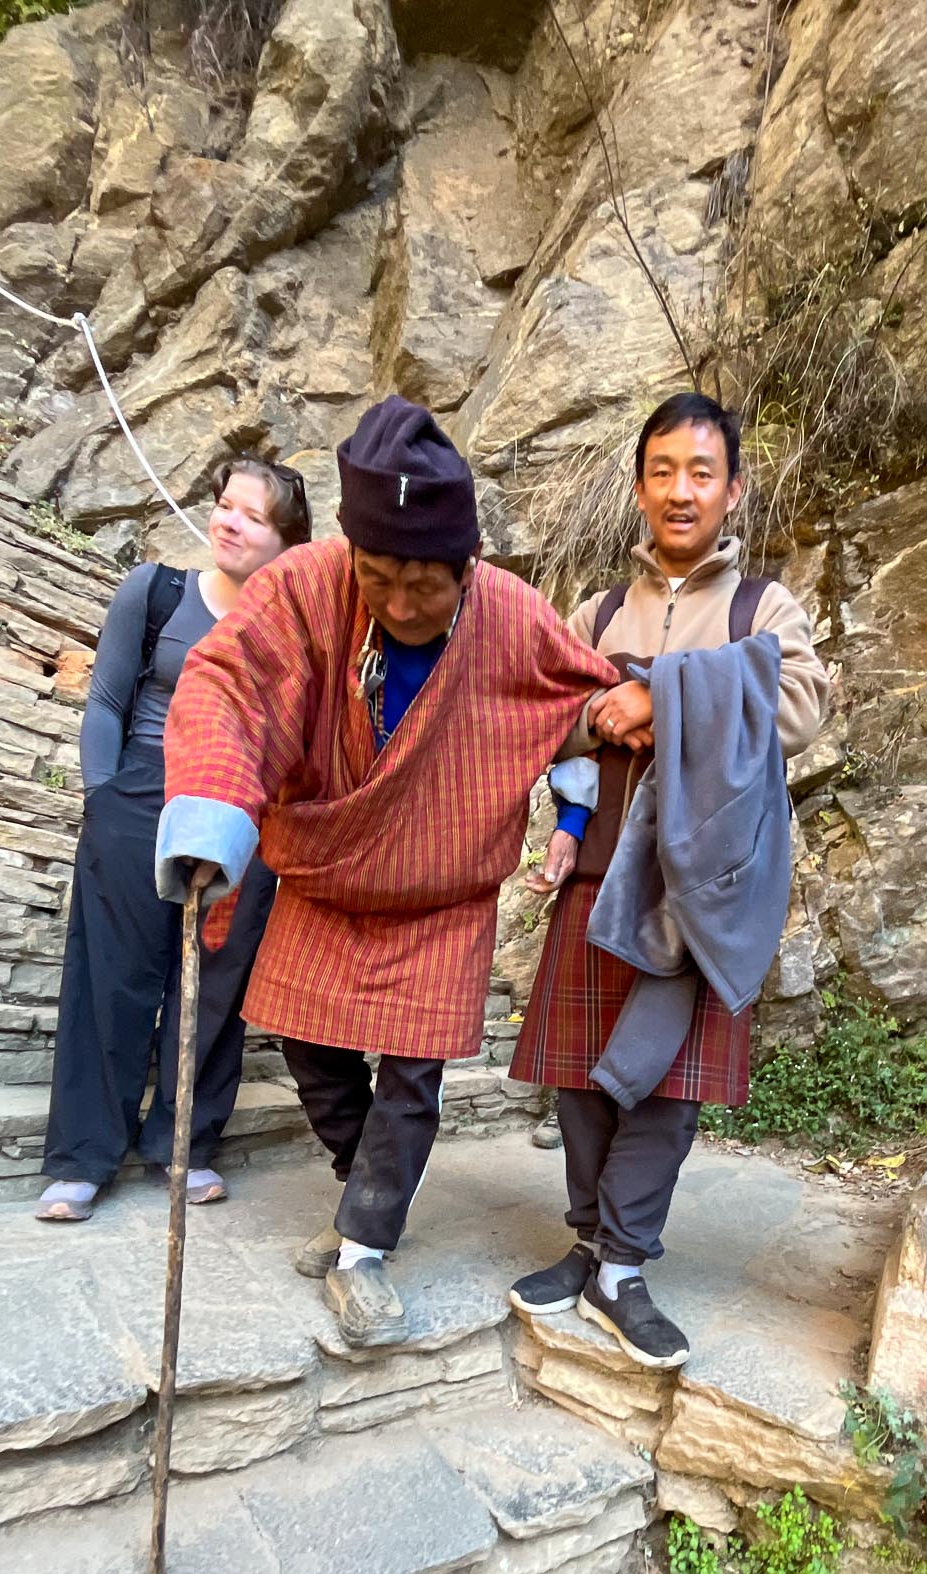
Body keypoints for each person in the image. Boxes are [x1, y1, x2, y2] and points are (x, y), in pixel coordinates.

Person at [157, 396, 617, 1343]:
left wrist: (578, 806)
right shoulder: (305, 587)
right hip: (328, 871)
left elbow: (581, 705)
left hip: (443, 889)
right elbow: (230, 688)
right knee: (310, 1053)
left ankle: (364, 1248)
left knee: (411, 1077)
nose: (400, 606)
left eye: (424, 585)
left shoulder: (511, 614)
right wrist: (210, 810)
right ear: (352, 553)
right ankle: (357, 1191)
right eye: (379, 579)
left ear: (467, 563)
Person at [508, 391, 831, 1368]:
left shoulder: (762, 608)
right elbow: (543, 714)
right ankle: (585, 1241)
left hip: (697, 880)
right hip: (602, 861)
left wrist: (664, 697)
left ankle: (622, 1266)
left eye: (702, 472)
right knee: (579, 1075)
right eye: (663, 471)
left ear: (734, 490)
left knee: (663, 1086)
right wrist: (599, 717)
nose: (681, 490)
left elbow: (800, 708)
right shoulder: (599, 612)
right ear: (640, 486)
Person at [36, 458, 313, 1223]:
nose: (230, 522)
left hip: (241, 809)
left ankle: (182, 1143)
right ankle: (84, 1154)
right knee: (113, 975)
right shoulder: (156, 592)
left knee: (214, 983)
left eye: (254, 516)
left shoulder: (293, 635)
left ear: (287, 542)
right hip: (139, 793)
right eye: (226, 505)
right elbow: (106, 700)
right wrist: (102, 797)